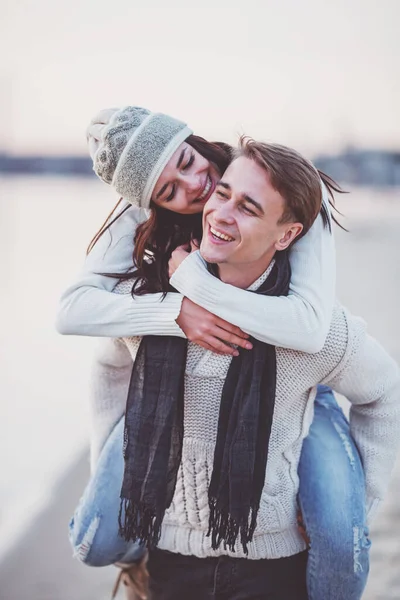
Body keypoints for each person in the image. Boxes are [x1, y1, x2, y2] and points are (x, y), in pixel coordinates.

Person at [57, 107, 368, 599]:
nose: (193, 185)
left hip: (296, 380)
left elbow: (309, 326)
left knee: (339, 539)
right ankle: (140, 561)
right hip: (174, 385)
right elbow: (72, 310)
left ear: (194, 140)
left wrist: (197, 284)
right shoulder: (143, 212)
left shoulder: (289, 197)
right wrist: (176, 312)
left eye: (187, 160)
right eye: (168, 191)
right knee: (94, 540)